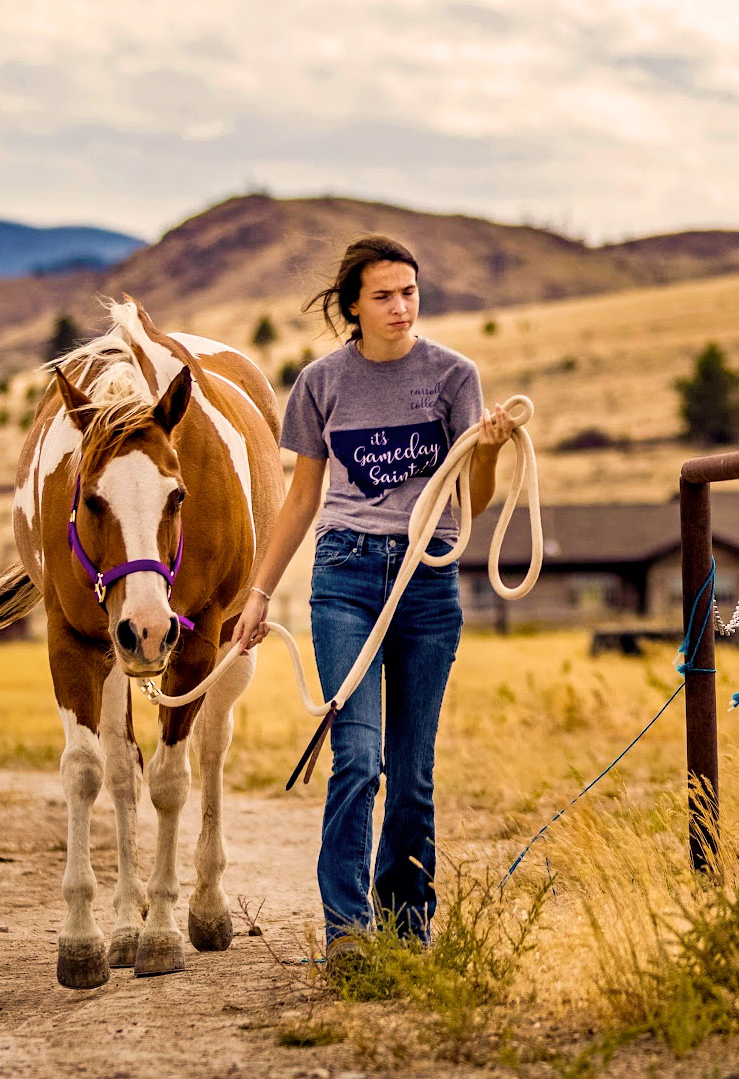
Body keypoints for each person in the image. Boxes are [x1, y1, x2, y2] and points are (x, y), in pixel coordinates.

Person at [230, 234, 515, 963]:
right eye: (384, 295)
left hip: (426, 580)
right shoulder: (321, 384)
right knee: (357, 755)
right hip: (346, 576)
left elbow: (470, 504)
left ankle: (406, 926)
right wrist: (260, 590)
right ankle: (348, 932)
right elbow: (301, 500)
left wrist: (485, 450)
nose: (400, 306)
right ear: (352, 306)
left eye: (410, 292)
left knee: (413, 771)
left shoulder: (455, 376)